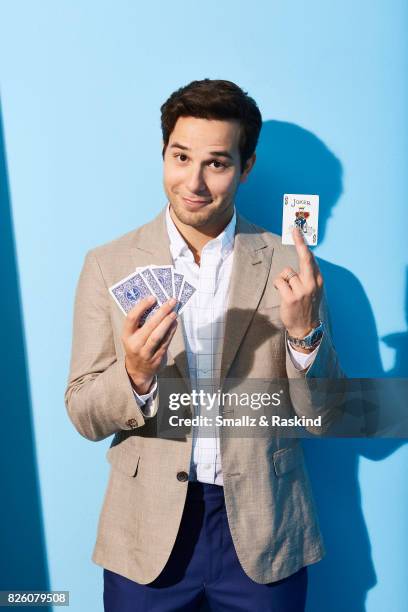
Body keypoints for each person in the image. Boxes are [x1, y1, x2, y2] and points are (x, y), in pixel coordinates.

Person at [65, 79, 345, 612]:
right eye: (180, 156)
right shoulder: (107, 264)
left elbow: (326, 417)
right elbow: (82, 412)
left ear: (247, 167)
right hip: (147, 533)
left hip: (265, 528)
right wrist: (134, 376)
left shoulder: (292, 265)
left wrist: (305, 336)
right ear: (164, 153)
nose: (193, 181)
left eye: (216, 163)